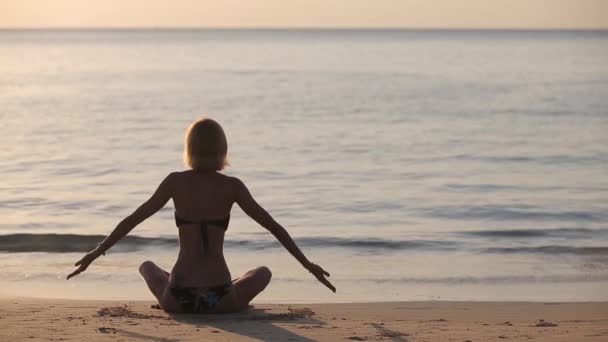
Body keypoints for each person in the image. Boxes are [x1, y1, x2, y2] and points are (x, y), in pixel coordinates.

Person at [67, 117, 335, 313]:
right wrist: (308, 265)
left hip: (177, 299)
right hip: (221, 300)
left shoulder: (174, 182)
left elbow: (132, 220)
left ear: (190, 150)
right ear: (222, 150)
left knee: (147, 266)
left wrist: (95, 253)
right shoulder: (232, 187)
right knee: (262, 272)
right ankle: (227, 284)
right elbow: (275, 228)